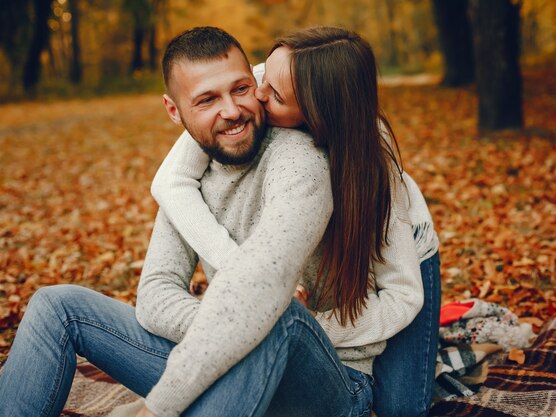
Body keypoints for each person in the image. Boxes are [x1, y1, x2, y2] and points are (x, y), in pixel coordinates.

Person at [151, 27, 441, 416]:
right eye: (261, 80)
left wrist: (314, 325)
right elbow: (169, 182)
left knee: (401, 408)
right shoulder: (248, 91)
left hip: (407, 257)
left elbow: (403, 296)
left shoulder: (375, 165)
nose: (255, 97)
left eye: (275, 95)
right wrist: (243, 282)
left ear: (314, 112)